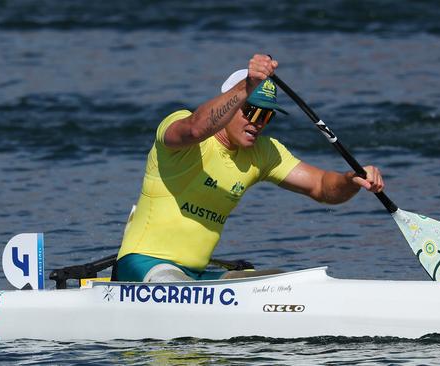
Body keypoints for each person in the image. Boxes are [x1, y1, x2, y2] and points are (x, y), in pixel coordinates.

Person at [115, 54, 384, 282]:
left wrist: (352, 179)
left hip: (195, 277)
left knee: (283, 284)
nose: (258, 123)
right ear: (231, 103)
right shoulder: (180, 130)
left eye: (266, 116)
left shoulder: (263, 153)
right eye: (252, 112)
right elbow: (197, 127)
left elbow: (322, 187)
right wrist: (248, 85)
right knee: (175, 283)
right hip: (142, 267)